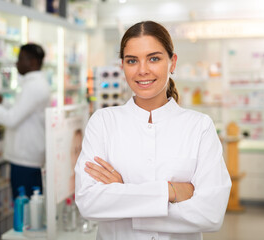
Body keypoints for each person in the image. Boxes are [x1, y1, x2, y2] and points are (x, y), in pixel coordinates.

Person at [74, 21, 232, 240]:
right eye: (132, 61)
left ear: (172, 63)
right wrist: (170, 192)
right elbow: (88, 203)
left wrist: (123, 195)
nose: (142, 70)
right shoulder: (103, 122)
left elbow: (210, 215)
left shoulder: (199, 126)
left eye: (154, 58)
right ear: (122, 66)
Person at [0, 43, 50, 199]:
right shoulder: (33, 84)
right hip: (26, 157)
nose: (17, 63)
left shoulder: (34, 87)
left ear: (32, 62)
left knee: (25, 208)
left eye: (20, 59)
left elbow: (12, 119)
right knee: (26, 206)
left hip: (26, 159)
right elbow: (18, 110)